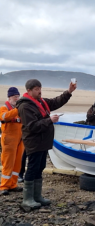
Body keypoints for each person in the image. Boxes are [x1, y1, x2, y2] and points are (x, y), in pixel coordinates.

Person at [16, 79, 76, 209]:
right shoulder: (25, 106)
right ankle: (27, 199)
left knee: (40, 167)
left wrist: (69, 92)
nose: (39, 91)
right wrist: (49, 120)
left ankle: (37, 196)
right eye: (36, 89)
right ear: (29, 91)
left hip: (43, 142)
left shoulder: (40, 101)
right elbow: (32, 126)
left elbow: (55, 101)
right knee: (32, 168)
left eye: (40, 88)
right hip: (34, 142)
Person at [0, 87, 24, 196]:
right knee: (8, 163)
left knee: (17, 163)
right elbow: (5, 117)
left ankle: (13, 184)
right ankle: (4, 186)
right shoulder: (4, 108)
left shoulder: (18, 109)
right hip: (8, 140)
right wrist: (18, 109)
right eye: (15, 97)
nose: (17, 99)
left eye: (18, 97)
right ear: (9, 97)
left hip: (20, 140)